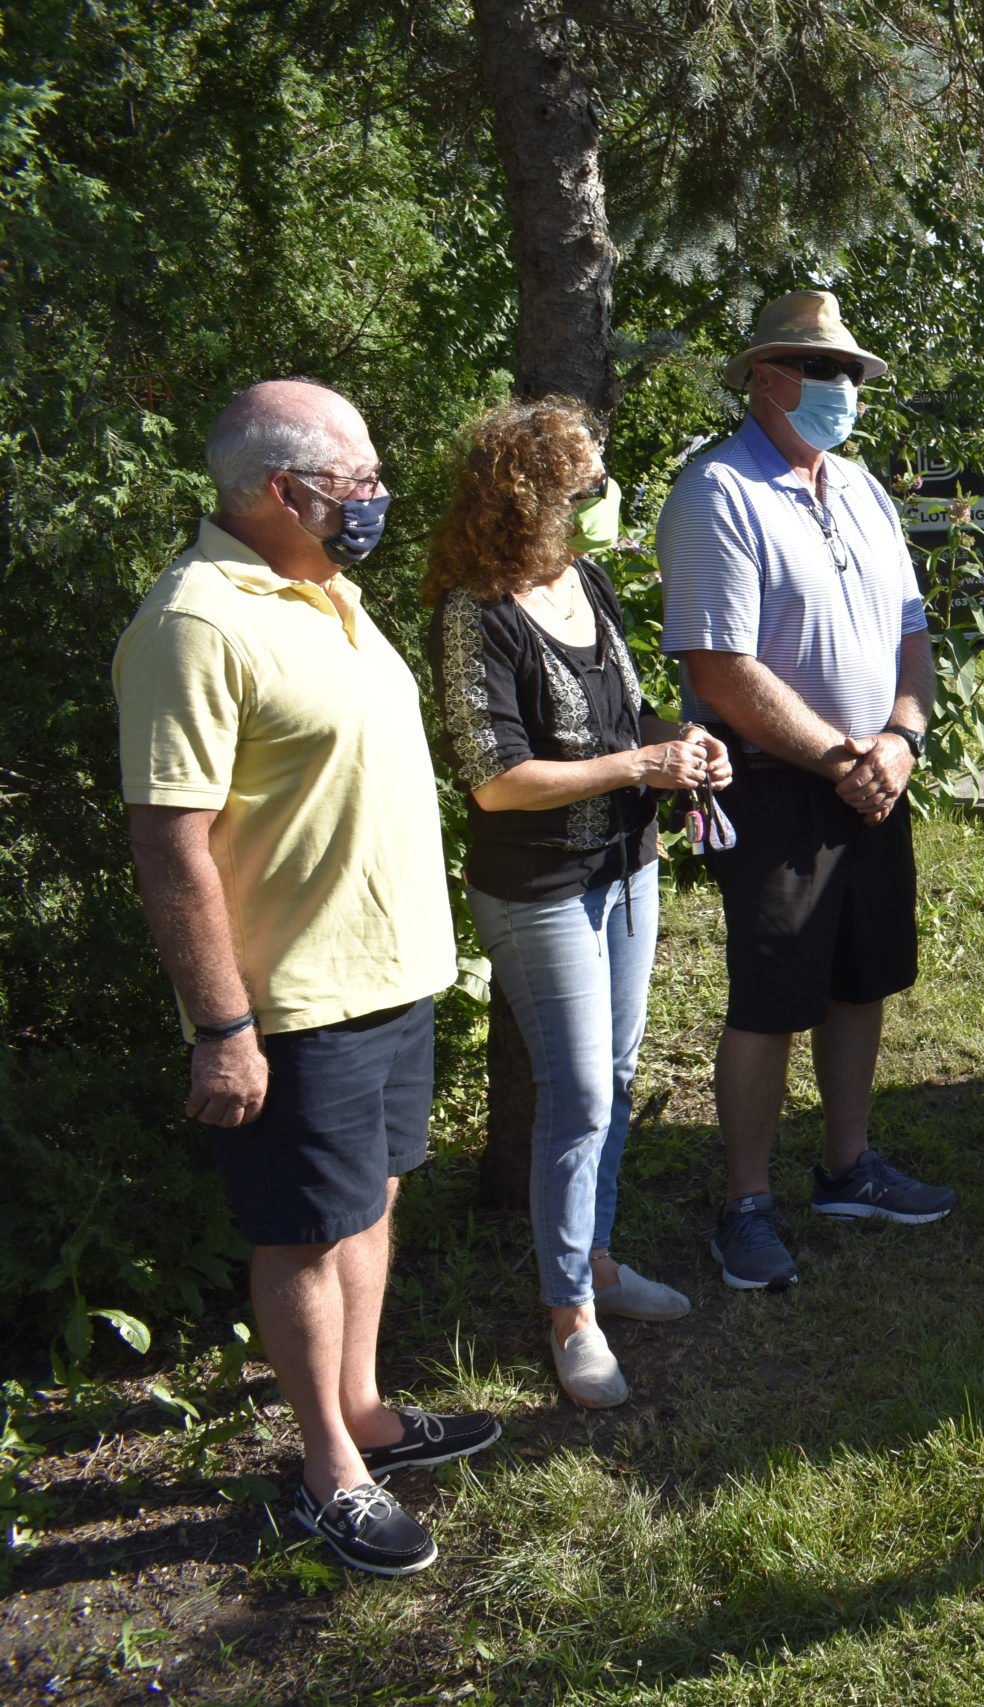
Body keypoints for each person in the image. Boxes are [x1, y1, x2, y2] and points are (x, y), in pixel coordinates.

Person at [117, 379, 496, 1578]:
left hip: (389, 975)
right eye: (360, 481)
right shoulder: (194, 622)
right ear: (281, 492)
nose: (378, 499)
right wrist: (223, 1024)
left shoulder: (331, 590)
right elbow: (170, 840)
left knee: (372, 1201)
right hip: (291, 1004)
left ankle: (372, 1413)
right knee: (303, 1237)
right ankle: (329, 1467)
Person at [427, 398, 729, 1406]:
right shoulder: (475, 609)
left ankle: (595, 1264)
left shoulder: (585, 580)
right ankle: (568, 1318)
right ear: (529, 493)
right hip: (539, 885)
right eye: (586, 482)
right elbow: (494, 779)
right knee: (583, 1096)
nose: (603, 495)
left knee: (622, 1069)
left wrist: (679, 745)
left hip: (627, 866)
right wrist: (636, 761)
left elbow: (621, 714)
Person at [657, 290, 953, 1293]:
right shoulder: (717, 492)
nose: (847, 392)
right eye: (827, 373)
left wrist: (902, 740)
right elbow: (721, 665)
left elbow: (912, 634)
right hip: (784, 787)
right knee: (770, 999)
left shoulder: (862, 489)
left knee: (859, 980)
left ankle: (845, 1168)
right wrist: (840, 759)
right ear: (766, 377)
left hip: (876, 776)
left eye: (854, 375)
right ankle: (744, 1205)